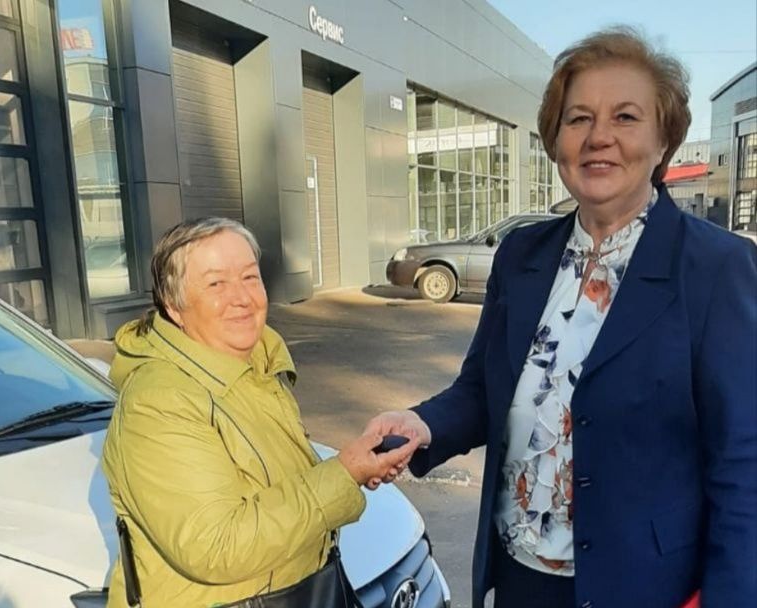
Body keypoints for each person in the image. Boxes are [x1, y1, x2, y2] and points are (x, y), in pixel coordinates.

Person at [367, 27, 756, 608]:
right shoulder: (521, 255)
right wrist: (423, 425)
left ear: (663, 141)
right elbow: (481, 388)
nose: (599, 137)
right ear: (555, 140)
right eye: (578, 119)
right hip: (521, 576)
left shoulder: (715, 267)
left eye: (625, 117)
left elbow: (744, 462)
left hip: (645, 588)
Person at [101, 217, 417, 607]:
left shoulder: (257, 365)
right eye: (216, 284)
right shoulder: (159, 402)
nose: (242, 298)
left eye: (250, 277)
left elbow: (277, 486)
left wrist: (360, 465)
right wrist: (343, 474)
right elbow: (216, 547)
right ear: (174, 306)